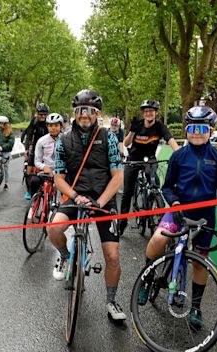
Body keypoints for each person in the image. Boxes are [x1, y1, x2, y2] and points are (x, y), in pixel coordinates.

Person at [139, 105, 217, 329]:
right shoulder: (178, 156)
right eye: (192, 128)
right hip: (178, 211)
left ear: (211, 131)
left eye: (202, 128)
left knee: (199, 263)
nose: (196, 132)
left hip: (204, 217)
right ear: (186, 130)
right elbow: (167, 187)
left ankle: (195, 307)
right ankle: (146, 278)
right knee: (158, 240)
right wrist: (174, 203)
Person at [47, 89, 126, 321]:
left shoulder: (108, 137)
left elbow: (118, 176)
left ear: (97, 114)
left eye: (89, 111)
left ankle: (111, 301)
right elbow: (58, 179)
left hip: (103, 198)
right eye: (80, 110)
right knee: (53, 228)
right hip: (76, 196)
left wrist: (100, 202)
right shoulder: (63, 140)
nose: (84, 115)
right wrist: (75, 196)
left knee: (112, 256)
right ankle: (65, 255)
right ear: (74, 113)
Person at [119, 100, 180, 234]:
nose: (148, 113)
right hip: (133, 160)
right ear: (143, 113)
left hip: (150, 160)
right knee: (127, 192)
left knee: (154, 184)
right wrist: (132, 131)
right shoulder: (138, 125)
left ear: (156, 113)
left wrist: (180, 156)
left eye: (151, 111)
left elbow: (171, 141)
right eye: (146, 111)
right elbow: (126, 143)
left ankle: (154, 201)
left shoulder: (160, 127)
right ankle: (122, 222)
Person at [30, 112, 63, 194]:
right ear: (47, 126)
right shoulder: (41, 141)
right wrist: (44, 167)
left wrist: (57, 172)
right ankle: (34, 204)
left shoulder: (66, 139)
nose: (53, 128)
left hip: (61, 172)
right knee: (34, 181)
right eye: (50, 126)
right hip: (46, 171)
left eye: (56, 125)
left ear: (61, 126)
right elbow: (37, 161)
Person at [22, 103, 49, 200]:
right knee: (28, 170)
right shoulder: (34, 121)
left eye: (44, 114)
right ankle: (29, 190)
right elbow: (29, 135)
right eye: (40, 114)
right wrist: (26, 149)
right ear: (37, 114)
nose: (42, 116)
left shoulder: (49, 123)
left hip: (46, 149)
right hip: (35, 148)